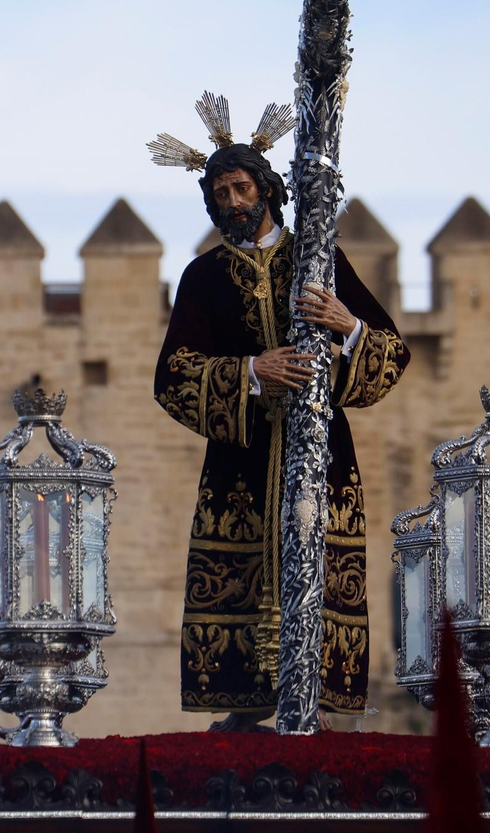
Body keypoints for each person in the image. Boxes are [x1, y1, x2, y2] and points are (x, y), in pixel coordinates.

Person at [151, 99, 409, 731]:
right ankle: (242, 712)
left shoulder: (317, 260)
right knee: (238, 579)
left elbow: (391, 354)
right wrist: (248, 373)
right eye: (220, 193)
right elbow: (172, 376)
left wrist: (348, 327)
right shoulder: (204, 277)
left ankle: (316, 707)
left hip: (322, 460)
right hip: (239, 469)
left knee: (319, 571)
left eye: (242, 187)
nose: (233, 202)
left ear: (268, 189)